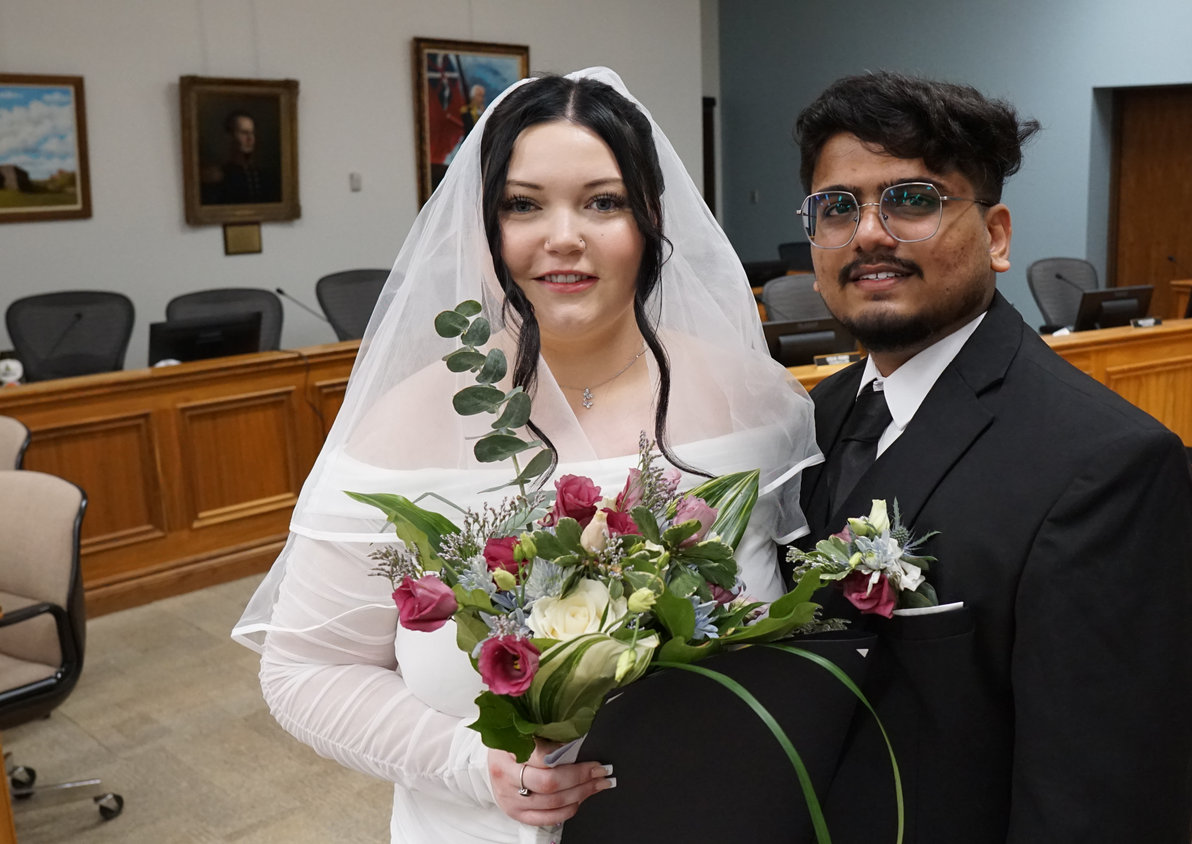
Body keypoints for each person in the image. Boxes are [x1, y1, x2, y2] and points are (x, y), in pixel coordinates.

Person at [232, 68, 819, 843]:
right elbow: (303, 670)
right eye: (524, 204)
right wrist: (474, 763)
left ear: (649, 217)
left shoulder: (755, 404)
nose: (564, 236)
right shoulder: (403, 430)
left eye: (603, 202)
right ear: (484, 226)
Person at [791, 71, 1192, 843]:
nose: (868, 235)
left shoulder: (1110, 470)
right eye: (837, 207)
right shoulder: (813, 419)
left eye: (913, 200)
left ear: (995, 237)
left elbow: (1106, 807)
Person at [201, 110, 280, 205]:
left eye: (252, 133)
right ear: (229, 137)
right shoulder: (217, 177)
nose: (250, 138)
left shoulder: (266, 176)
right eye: (244, 133)